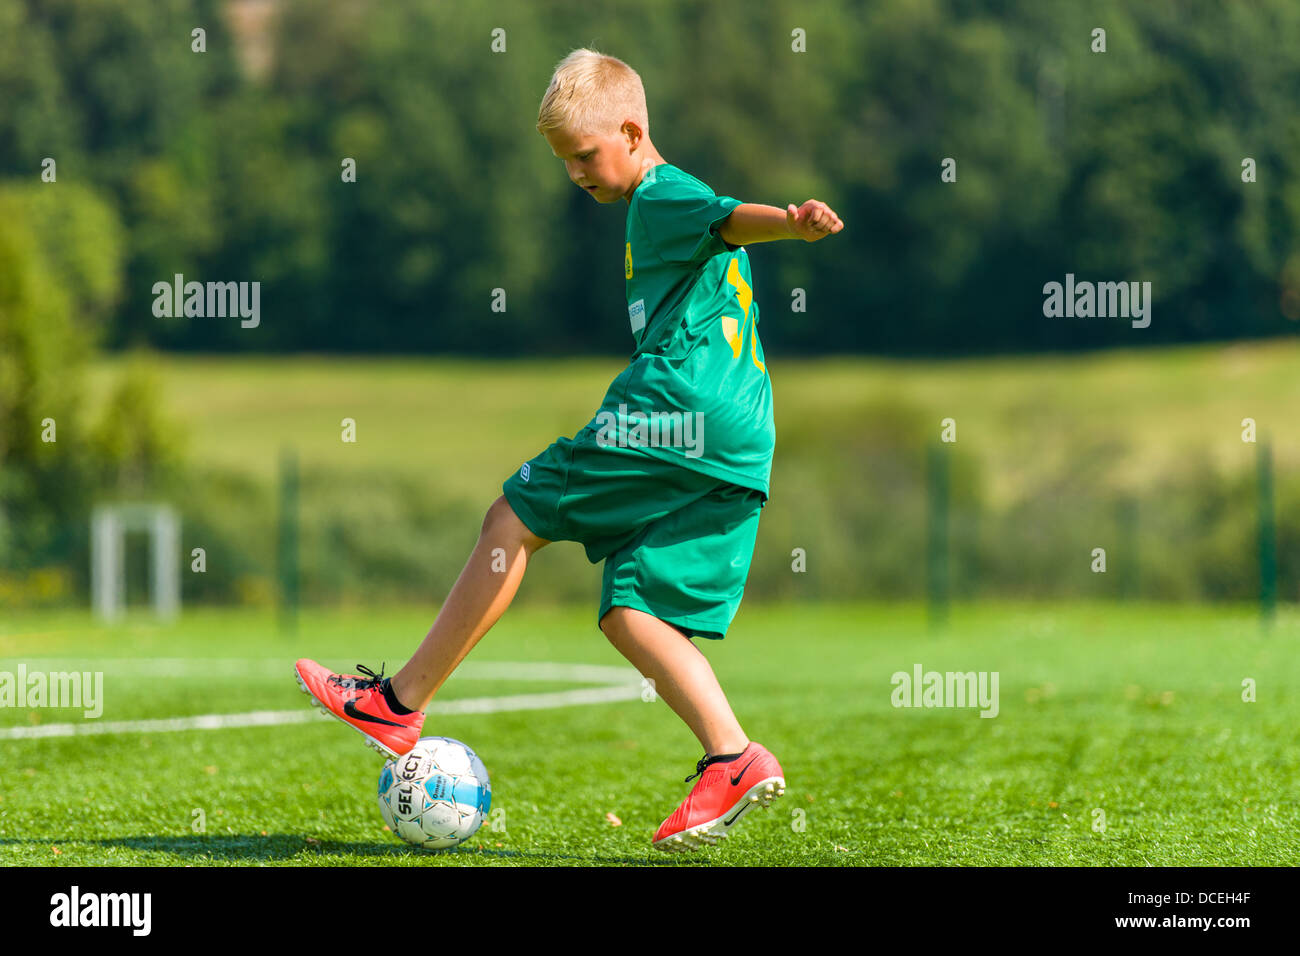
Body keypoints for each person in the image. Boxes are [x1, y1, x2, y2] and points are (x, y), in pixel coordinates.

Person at [296, 47, 844, 852]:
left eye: (585, 156)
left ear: (632, 130)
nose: (576, 174)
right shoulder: (650, 210)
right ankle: (733, 757)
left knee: (511, 518)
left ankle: (398, 703)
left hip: (672, 414)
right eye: (564, 162)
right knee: (632, 612)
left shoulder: (660, 194)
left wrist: (789, 223)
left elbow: (728, 216)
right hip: (738, 440)